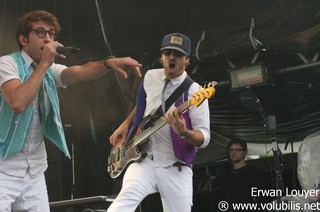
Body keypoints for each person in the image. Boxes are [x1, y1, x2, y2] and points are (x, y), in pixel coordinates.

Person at [0, 10, 142, 212]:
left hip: (34, 172)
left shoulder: (48, 69)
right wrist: (44, 64)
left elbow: (79, 72)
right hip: (3, 171)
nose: (48, 39)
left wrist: (107, 63)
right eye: (40, 33)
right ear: (23, 39)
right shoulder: (7, 64)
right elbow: (18, 102)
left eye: (51, 34)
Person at [108, 32, 211, 212]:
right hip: (144, 159)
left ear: (187, 59)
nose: (172, 57)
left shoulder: (195, 91)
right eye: (167, 52)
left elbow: (204, 137)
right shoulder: (150, 77)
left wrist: (184, 132)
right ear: (162, 56)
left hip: (175, 167)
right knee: (121, 205)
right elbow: (142, 107)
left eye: (177, 54)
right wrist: (125, 125)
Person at [219, 138, 267, 212]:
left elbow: (262, 199)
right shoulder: (226, 176)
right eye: (231, 150)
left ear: (245, 152)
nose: (233, 152)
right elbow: (223, 200)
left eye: (237, 150)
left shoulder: (254, 173)